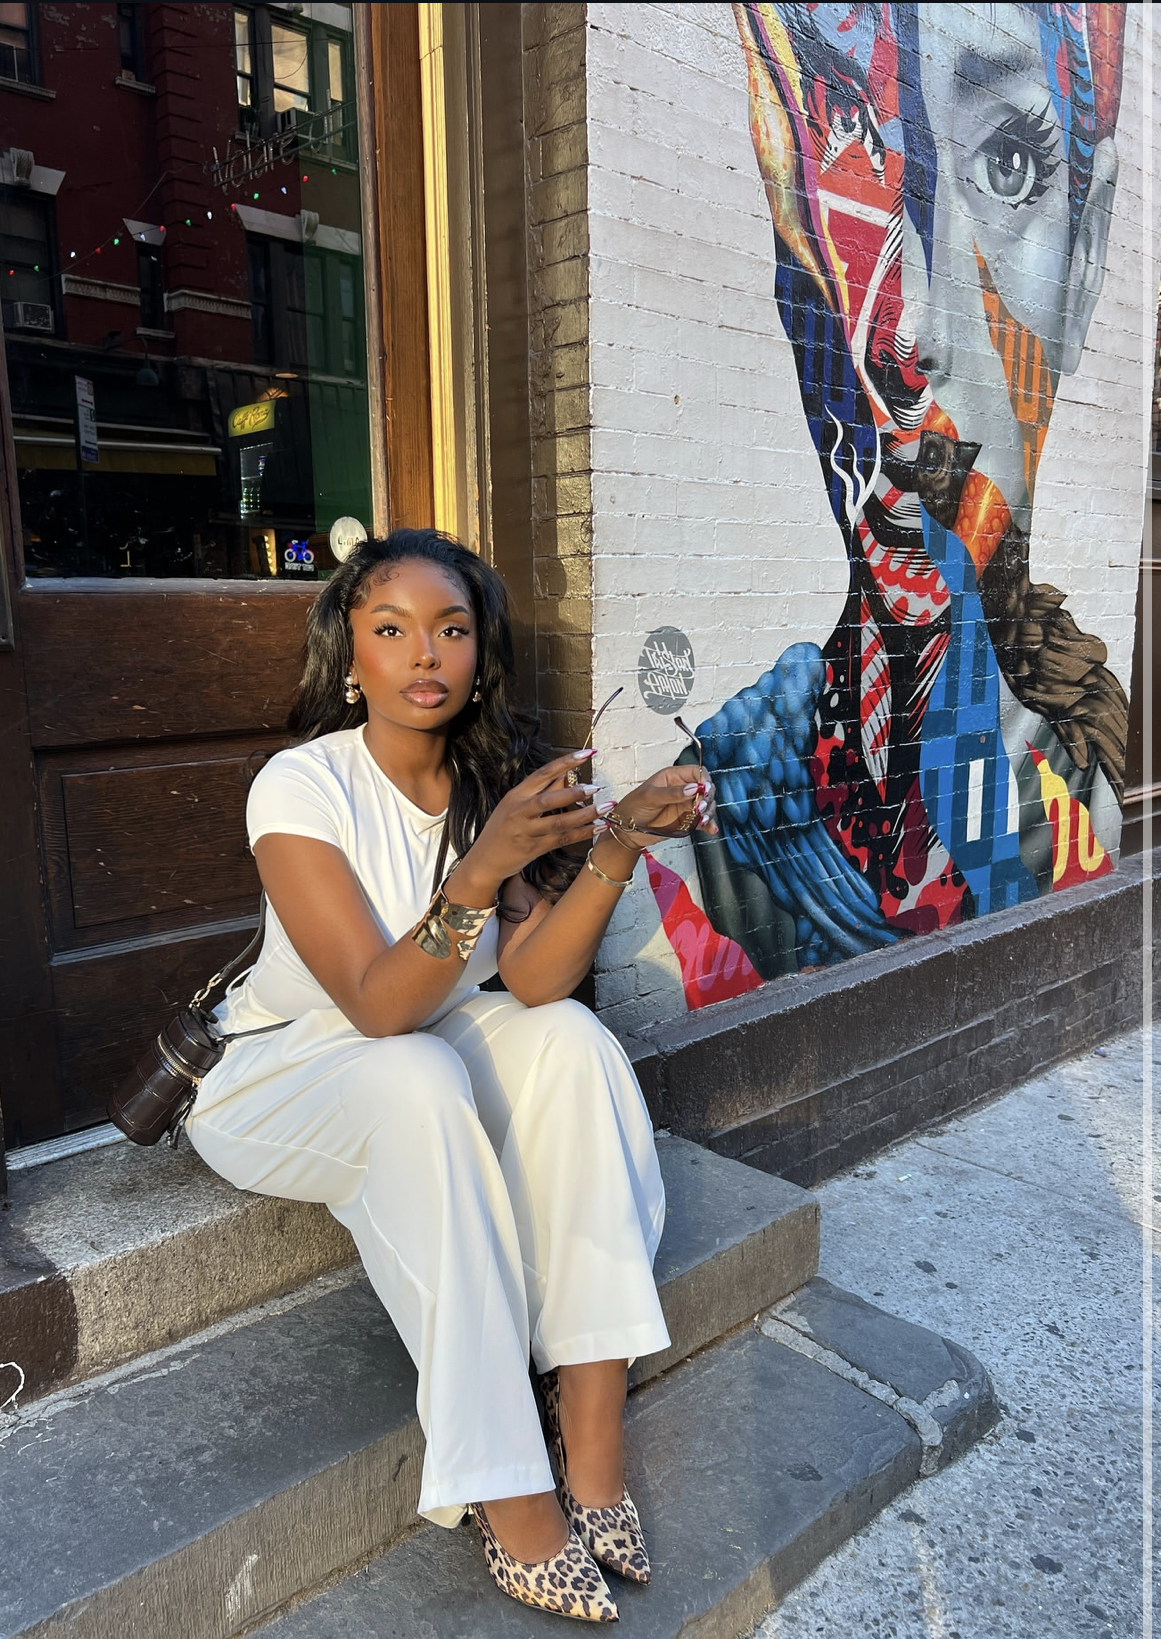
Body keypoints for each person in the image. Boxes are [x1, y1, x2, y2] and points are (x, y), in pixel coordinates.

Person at [185, 528, 717, 1623]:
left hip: (417, 1045)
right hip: (282, 1069)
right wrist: (483, 864)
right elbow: (376, 1005)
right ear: (350, 658)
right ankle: (505, 1482)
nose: (424, 653)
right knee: (421, 1072)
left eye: (452, 629)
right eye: (391, 629)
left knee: (573, 1048)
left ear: (480, 655)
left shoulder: (490, 783)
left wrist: (615, 845)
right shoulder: (300, 786)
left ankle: (593, 1432)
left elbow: (532, 985)